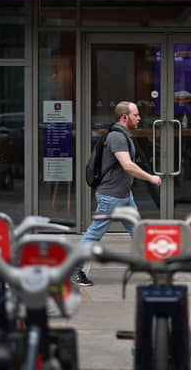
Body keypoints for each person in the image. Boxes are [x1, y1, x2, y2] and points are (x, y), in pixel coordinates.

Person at [72, 101, 162, 286]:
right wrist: (150, 178)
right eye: (136, 115)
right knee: (93, 234)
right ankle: (74, 270)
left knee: (137, 231)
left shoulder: (122, 135)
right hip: (111, 197)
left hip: (124, 196)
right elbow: (127, 165)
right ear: (124, 117)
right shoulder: (117, 137)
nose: (139, 118)